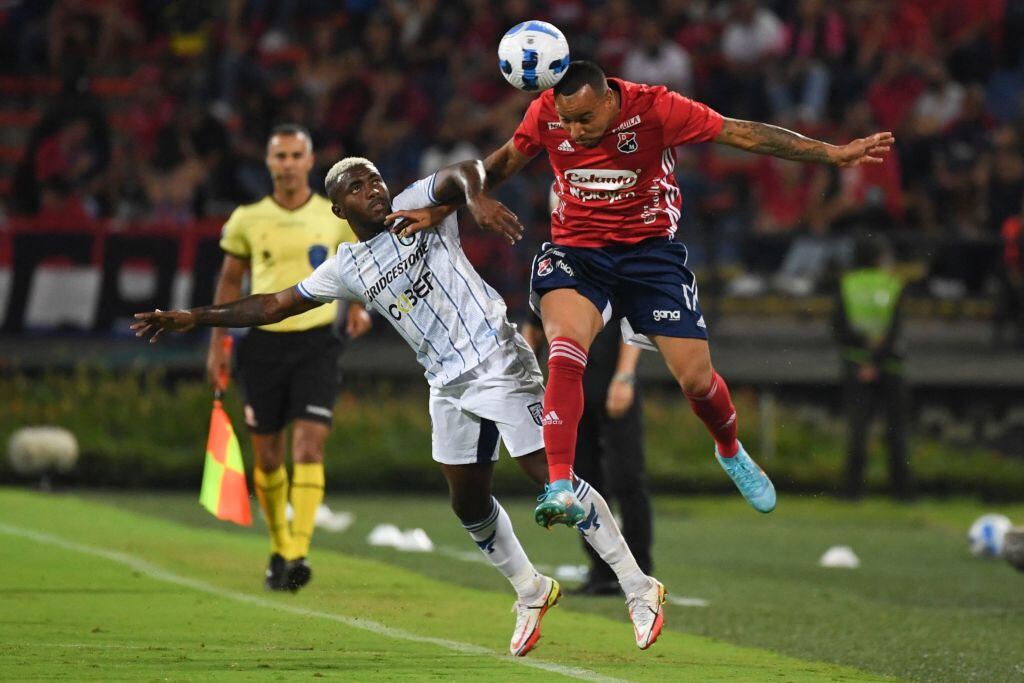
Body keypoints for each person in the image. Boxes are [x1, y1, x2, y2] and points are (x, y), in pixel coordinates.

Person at [132, 157, 668, 653]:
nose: (374, 189)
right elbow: (273, 304)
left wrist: (474, 199)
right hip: (446, 383)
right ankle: (531, 589)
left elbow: (461, 172)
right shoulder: (347, 267)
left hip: (498, 361)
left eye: (374, 179)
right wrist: (195, 317)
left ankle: (638, 585)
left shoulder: (416, 203)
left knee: (549, 475)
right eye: (357, 187)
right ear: (339, 210)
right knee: (467, 503)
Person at [390, 60, 895, 527]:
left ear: (609, 98)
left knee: (696, 381)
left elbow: (742, 134)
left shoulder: (658, 109)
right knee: (566, 351)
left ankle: (729, 448)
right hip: (578, 253)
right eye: (566, 122)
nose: (574, 132)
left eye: (584, 119)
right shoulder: (546, 111)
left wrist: (832, 154)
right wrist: (440, 211)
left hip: (649, 256)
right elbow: (498, 166)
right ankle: (560, 486)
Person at [207, 124, 372, 593]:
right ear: (268, 161)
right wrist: (218, 344)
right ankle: (279, 546)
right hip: (261, 347)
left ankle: (298, 552)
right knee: (267, 456)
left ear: (309, 159)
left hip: (317, 342)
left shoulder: (335, 216)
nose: (287, 164)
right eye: (279, 156)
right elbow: (229, 282)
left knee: (309, 447)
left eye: (296, 155)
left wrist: (359, 308)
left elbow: (361, 268)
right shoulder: (246, 218)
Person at [523, 313, 653, 596]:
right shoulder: (555, 277)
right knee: (582, 480)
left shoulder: (612, 272)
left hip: (613, 384)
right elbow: (532, 329)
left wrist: (625, 376)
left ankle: (639, 570)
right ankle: (601, 571)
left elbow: (633, 326)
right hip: (571, 395)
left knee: (627, 478)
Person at [833, 236, 913, 500]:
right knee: (896, 432)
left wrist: (865, 362)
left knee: (857, 432)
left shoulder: (847, 285)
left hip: (856, 366)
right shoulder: (893, 284)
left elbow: (839, 329)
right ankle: (902, 493)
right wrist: (878, 362)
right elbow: (895, 331)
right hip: (890, 366)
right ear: (880, 257)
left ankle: (852, 492)